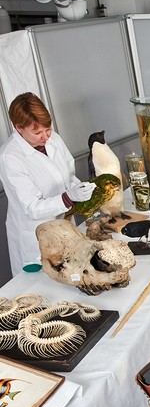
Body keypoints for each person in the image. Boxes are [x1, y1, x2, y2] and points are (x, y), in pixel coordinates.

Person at [0, 92, 95, 275]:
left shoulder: (54, 139)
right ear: (19, 128)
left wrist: (79, 188)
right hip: (34, 238)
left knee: (73, 277)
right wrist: (68, 197)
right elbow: (32, 207)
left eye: (47, 129)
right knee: (41, 287)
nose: (45, 137)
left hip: (65, 227)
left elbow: (68, 174)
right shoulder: (10, 157)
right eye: (37, 133)